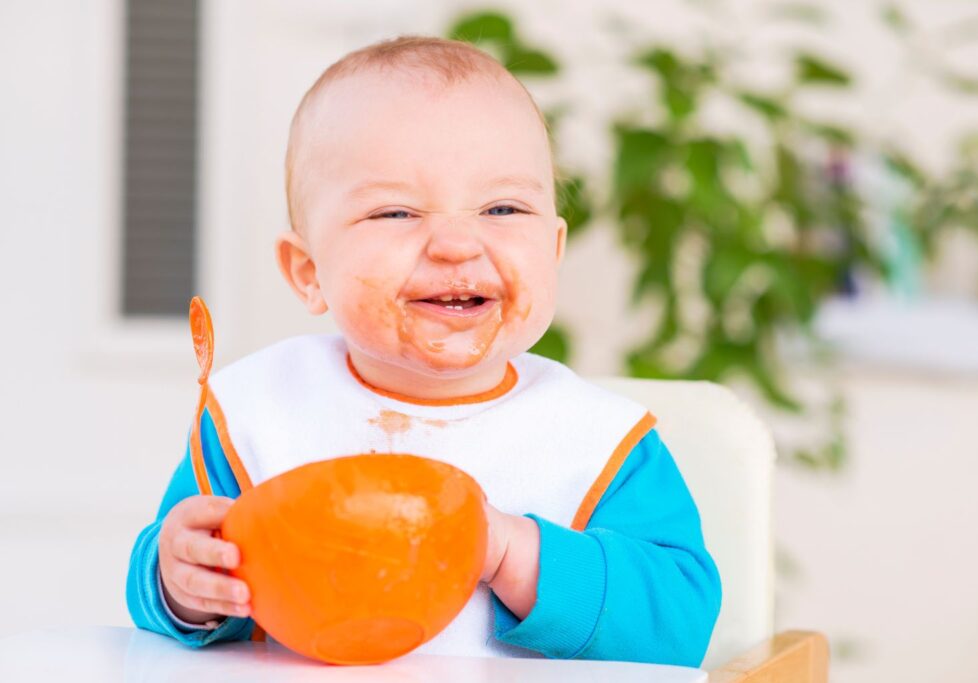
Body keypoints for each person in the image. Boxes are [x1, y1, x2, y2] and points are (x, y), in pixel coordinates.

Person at [126, 35, 721, 666]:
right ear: (308, 271)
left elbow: (680, 625)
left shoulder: (600, 443)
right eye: (396, 213)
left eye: (502, 207)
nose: (457, 244)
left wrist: (508, 552)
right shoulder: (257, 413)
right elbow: (168, 593)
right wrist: (182, 586)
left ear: (552, 251)